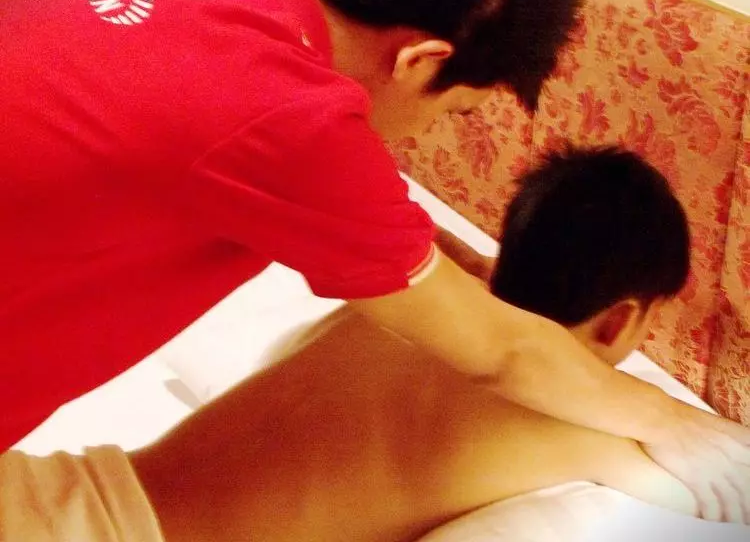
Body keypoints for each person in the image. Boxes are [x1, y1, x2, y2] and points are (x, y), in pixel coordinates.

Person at [1, 0, 748, 518]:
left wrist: (437, 258)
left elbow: (374, 238)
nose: (419, 136)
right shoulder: (291, 118)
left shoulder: (212, 0)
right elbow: (504, 352)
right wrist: (674, 419)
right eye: (453, 111)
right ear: (420, 60)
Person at [5, 147, 748, 542]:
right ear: (620, 322)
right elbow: (722, 493)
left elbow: (440, 258)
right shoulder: (576, 433)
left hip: (51, 492)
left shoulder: (384, 315)